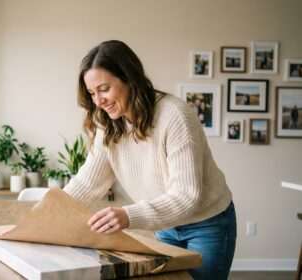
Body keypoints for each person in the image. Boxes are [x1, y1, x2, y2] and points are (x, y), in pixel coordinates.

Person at [64, 40, 236, 280]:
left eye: (104, 89)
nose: (98, 101)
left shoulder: (175, 115)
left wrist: (128, 216)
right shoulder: (109, 125)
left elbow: (187, 195)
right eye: (92, 93)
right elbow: (86, 184)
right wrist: (36, 221)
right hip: (165, 225)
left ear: (129, 79)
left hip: (206, 225)